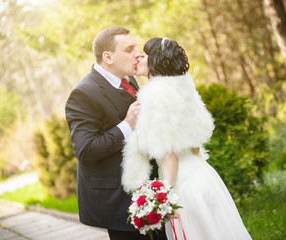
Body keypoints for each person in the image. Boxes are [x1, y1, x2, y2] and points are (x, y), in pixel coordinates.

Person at [121, 38, 252, 240]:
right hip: (203, 175)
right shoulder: (182, 88)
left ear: (155, 61)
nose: (139, 57)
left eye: (144, 55)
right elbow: (195, 147)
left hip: (184, 186)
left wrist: (166, 199)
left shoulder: (156, 95)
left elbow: (170, 153)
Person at [65, 27, 167, 240]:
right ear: (108, 57)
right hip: (119, 200)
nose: (138, 53)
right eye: (130, 49)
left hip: (147, 190)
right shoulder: (83, 94)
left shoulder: (129, 78)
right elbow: (86, 150)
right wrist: (127, 124)